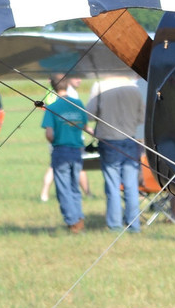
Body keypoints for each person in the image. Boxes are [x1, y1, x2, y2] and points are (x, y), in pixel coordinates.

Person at [93, 75, 145, 232]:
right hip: (130, 140)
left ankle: (115, 225)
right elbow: (142, 117)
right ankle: (134, 224)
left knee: (112, 185)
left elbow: (89, 113)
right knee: (131, 185)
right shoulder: (133, 87)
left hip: (109, 141)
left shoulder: (100, 86)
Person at [41, 77, 91, 232]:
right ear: (67, 84)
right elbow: (85, 126)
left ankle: (72, 222)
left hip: (61, 151)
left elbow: (49, 134)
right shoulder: (79, 104)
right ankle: (79, 218)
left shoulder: (53, 107)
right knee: (74, 187)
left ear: (53, 88)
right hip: (77, 151)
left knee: (63, 188)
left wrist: (55, 137)